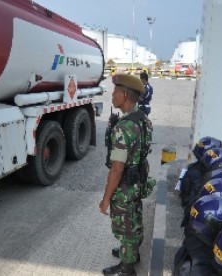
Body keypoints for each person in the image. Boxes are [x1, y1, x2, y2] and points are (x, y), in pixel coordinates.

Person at [100, 74, 153, 276]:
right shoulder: (144, 120)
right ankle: (131, 253)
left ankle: (126, 268)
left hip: (125, 184)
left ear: (124, 95)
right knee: (134, 216)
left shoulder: (123, 127)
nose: (112, 96)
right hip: (138, 179)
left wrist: (105, 199)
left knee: (124, 224)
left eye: (114, 92)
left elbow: (117, 168)